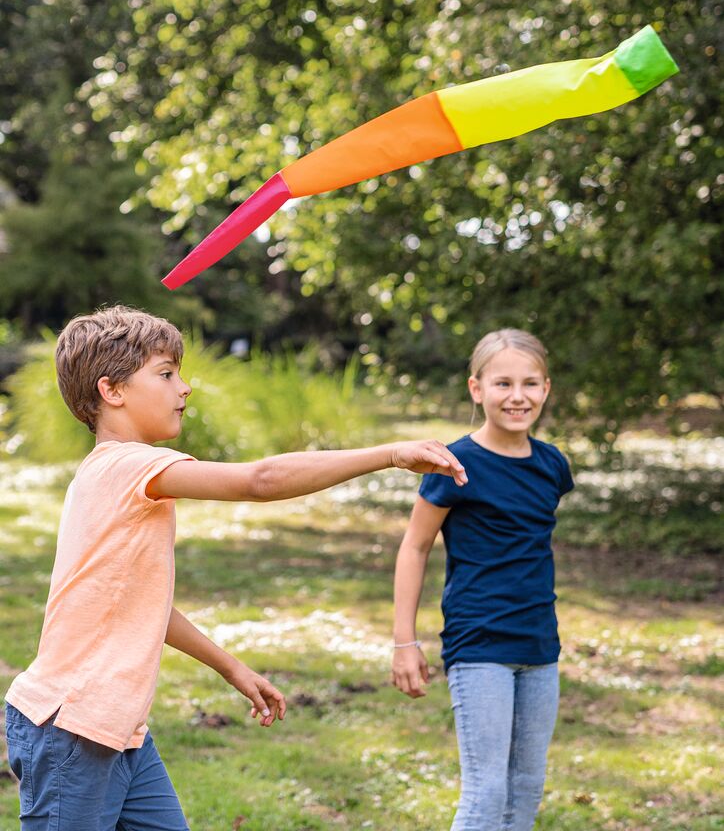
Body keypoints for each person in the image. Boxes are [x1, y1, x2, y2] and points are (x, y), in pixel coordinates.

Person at [4, 304, 467, 830]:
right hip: (73, 728)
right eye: (166, 374)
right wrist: (389, 454)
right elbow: (260, 481)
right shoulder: (127, 466)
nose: (185, 388)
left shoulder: (119, 476)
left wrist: (233, 668)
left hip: (121, 730)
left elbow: (141, 606)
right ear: (113, 391)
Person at [391, 329, 574, 831]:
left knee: (526, 790)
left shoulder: (552, 465)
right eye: (503, 383)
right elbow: (415, 546)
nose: (518, 396)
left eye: (530, 383)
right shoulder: (454, 464)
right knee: (487, 792)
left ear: (546, 388)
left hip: (540, 645)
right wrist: (404, 642)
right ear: (477, 389)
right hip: (479, 644)